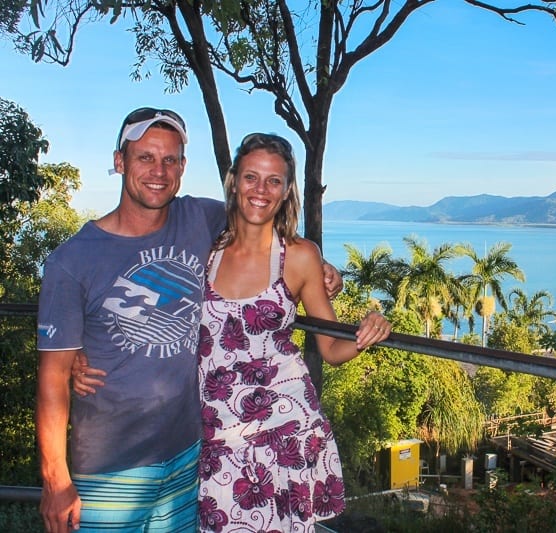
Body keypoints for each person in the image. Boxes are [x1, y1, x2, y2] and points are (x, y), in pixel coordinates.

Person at [36, 107, 342, 533]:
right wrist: (55, 479)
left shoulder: (199, 218)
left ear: (182, 167)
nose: (158, 171)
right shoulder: (72, 261)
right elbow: (51, 380)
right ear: (119, 161)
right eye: (145, 157)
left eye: (170, 159)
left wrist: (325, 270)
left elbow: (262, 222)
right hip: (110, 466)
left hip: (189, 456)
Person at [195, 133, 390, 532]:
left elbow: (332, 347)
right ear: (234, 181)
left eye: (273, 181)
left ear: (286, 191)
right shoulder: (204, 249)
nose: (260, 190)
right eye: (251, 177)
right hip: (217, 434)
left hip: (284, 433)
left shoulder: (299, 256)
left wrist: (369, 328)